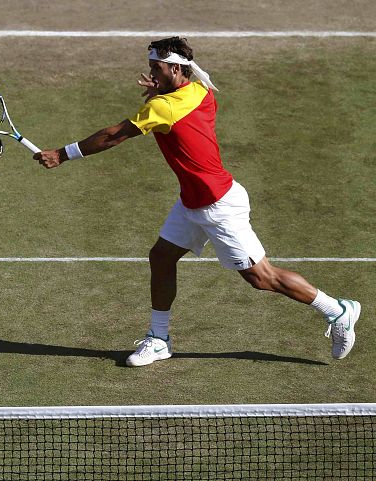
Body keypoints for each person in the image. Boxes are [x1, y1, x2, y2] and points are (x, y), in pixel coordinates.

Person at [34, 36, 360, 367]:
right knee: (161, 257)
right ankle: (159, 339)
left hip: (219, 206)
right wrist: (161, 90)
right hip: (195, 202)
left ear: (176, 67)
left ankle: (338, 311)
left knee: (262, 278)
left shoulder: (162, 107)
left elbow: (114, 136)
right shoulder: (199, 92)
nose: (151, 73)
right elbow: (174, 108)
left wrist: (62, 154)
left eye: (156, 68)